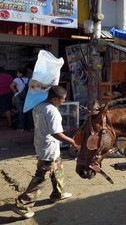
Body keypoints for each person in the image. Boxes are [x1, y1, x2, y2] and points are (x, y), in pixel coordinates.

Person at [13, 85, 79, 219]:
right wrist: (71, 141)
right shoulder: (52, 111)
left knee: (58, 170)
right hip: (48, 148)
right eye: (62, 99)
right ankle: (22, 205)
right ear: (55, 98)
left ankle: (58, 194)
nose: (63, 101)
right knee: (41, 177)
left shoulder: (39, 106)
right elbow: (56, 133)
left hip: (44, 144)